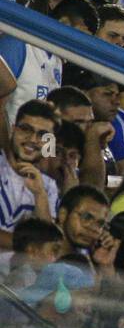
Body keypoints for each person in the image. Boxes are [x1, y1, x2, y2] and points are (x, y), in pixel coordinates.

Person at [0, 101, 60, 249]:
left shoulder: (48, 186)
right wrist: (29, 247)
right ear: (13, 129)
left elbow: (48, 242)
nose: (33, 139)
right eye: (26, 129)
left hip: (22, 269)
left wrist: (39, 194)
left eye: (42, 135)